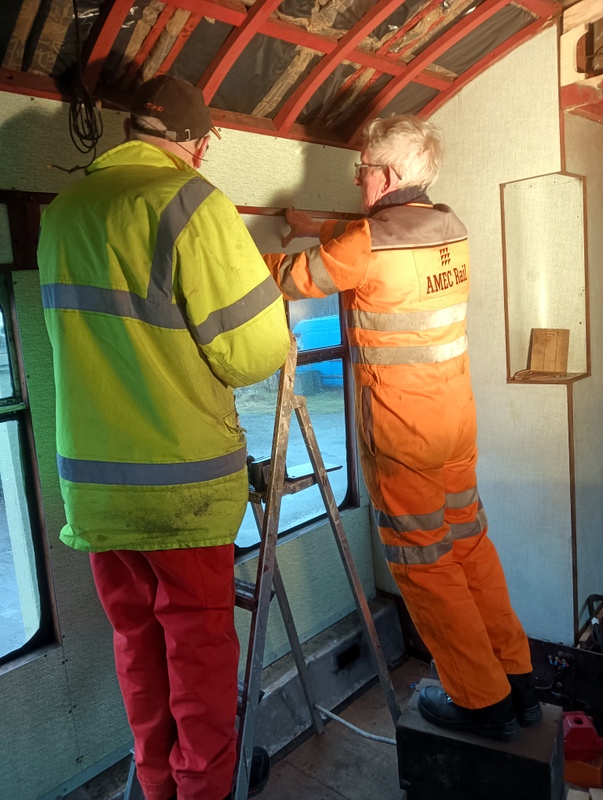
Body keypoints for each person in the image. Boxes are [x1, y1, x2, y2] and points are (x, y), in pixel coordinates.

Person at [37, 75, 290, 800]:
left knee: (137, 651)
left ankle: (156, 785)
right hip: (181, 492)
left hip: (96, 493)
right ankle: (201, 791)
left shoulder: (63, 211)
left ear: (128, 133)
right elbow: (251, 351)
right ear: (199, 143)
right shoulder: (190, 202)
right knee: (198, 658)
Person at [264, 114, 541, 742]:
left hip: (404, 439)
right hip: (454, 430)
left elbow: (292, 277)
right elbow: (373, 236)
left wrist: (229, 249)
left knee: (425, 564)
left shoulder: (366, 245)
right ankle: (517, 678)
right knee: (469, 546)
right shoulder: (449, 228)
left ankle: (480, 699)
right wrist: (316, 225)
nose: (358, 180)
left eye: (362, 171)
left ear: (386, 176)